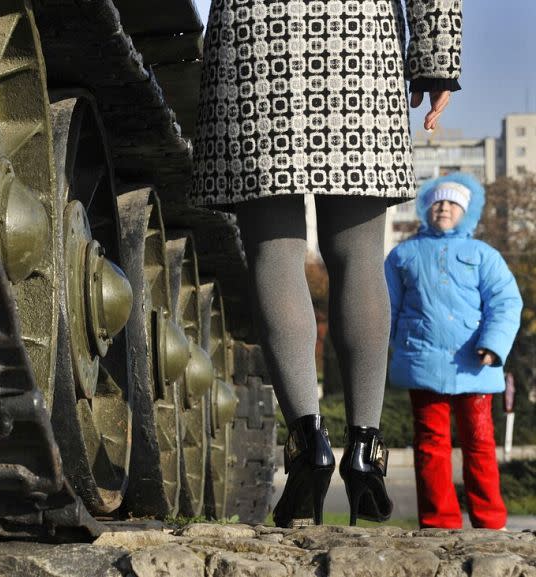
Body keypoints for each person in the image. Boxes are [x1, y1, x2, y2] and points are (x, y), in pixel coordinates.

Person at [190, 0, 463, 527]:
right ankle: (365, 450)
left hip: (256, 39)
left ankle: (307, 447)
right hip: (359, 36)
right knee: (360, 256)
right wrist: (435, 58)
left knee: (274, 253)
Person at [385, 173, 522, 530]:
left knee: (479, 442)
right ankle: (437, 522)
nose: (443, 207)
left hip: (474, 366)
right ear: (425, 209)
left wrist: (493, 344)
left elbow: (505, 303)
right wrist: (393, 347)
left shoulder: (483, 254)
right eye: (437, 202)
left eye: (452, 203)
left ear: (467, 211)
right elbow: (386, 307)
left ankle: (491, 523)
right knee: (431, 444)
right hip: (423, 364)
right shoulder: (403, 254)